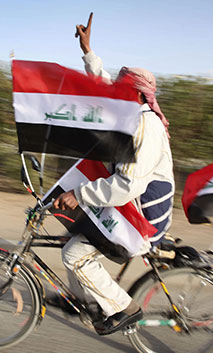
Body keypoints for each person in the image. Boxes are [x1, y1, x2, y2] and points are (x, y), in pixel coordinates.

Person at [53, 13, 175, 336]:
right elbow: (104, 85)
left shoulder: (146, 127)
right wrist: (88, 50)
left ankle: (123, 307)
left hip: (143, 217)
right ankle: (81, 299)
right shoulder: (132, 113)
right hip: (128, 203)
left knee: (73, 253)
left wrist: (78, 194)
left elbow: (127, 185)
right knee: (73, 227)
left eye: (121, 89)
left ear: (136, 94)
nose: (115, 93)